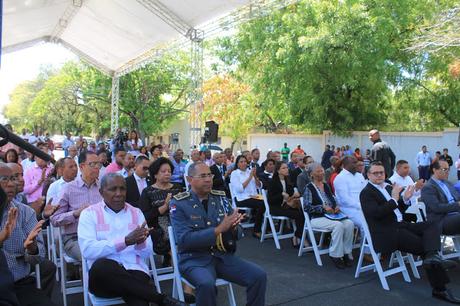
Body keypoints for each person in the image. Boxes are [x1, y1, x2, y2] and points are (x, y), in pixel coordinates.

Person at [78, 173, 184, 306]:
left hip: (135, 272)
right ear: (101, 192)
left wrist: (140, 244)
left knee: (139, 301)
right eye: (113, 189)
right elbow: (88, 251)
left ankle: (160, 299)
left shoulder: (136, 213)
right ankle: (160, 299)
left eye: (122, 189)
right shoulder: (89, 214)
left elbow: (147, 253)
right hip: (104, 280)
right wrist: (125, 241)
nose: (119, 193)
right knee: (103, 265)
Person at [361, 162, 460, 304]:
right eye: (375, 173)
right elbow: (377, 214)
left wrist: (405, 199)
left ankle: (433, 258)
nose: (379, 175)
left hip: (400, 225)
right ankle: (440, 288)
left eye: (381, 172)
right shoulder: (366, 193)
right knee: (425, 246)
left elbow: (397, 210)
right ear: (368, 175)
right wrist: (395, 199)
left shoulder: (388, 187)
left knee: (432, 225)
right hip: (387, 232)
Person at [170, 162, 267, 306]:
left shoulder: (220, 199)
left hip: (222, 257)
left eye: (210, 175)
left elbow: (238, 234)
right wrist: (218, 230)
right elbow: (184, 240)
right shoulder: (179, 204)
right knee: (206, 284)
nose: (208, 179)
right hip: (194, 260)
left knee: (258, 276)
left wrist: (234, 228)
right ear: (189, 179)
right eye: (203, 176)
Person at [0, 163, 57, 306]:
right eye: (4, 179)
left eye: (13, 178)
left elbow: (38, 258)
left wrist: (32, 249)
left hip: (18, 284)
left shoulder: (25, 212)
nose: (12, 183)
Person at [51, 151, 103, 260]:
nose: (97, 167)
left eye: (98, 164)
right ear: (82, 166)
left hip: (101, 235)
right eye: (92, 164)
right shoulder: (68, 188)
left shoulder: (102, 188)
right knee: (92, 255)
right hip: (75, 238)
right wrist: (75, 213)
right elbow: (55, 219)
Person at [304, 163, 354, 269]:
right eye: (318, 171)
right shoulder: (309, 188)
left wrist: (336, 206)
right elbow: (307, 207)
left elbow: (332, 199)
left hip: (332, 216)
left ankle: (346, 252)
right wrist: (322, 208)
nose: (321, 173)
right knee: (338, 226)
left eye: (322, 170)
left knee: (349, 224)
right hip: (317, 218)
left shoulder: (325, 185)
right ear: (312, 174)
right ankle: (336, 255)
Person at [138, 157, 183, 266]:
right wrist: (165, 206)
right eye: (163, 171)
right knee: (166, 236)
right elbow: (145, 216)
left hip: (177, 221)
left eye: (169, 171)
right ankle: (177, 267)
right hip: (157, 226)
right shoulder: (148, 192)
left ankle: (177, 264)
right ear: (155, 174)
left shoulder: (178, 188)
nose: (167, 174)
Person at [267, 161, 305, 246]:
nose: (287, 169)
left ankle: (298, 236)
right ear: (278, 171)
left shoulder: (288, 180)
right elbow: (270, 200)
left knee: (303, 212)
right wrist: (281, 195)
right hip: (276, 207)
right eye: (283, 168)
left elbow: (290, 195)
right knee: (299, 215)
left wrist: (294, 195)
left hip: (286, 205)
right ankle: (299, 237)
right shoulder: (273, 182)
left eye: (287, 167)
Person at [421, 160, 460, 237]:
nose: (447, 172)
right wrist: (457, 205)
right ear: (434, 170)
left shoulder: (448, 183)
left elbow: (458, 197)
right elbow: (437, 208)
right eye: (444, 169)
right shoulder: (428, 187)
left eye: (448, 169)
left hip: (455, 215)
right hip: (440, 221)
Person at [230, 155, 265, 238]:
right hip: (242, 198)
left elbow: (259, 186)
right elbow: (239, 189)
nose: (244, 163)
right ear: (237, 164)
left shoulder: (250, 171)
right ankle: (257, 230)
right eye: (241, 162)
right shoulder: (235, 173)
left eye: (245, 161)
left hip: (254, 197)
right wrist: (250, 177)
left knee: (268, 202)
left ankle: (265, 226)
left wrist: (255, 176)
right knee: (262, 204)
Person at [333, 156, 367, 231]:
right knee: (367, 223)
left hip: (363, 207)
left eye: (357, 162)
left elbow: (366, 192)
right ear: (346, 165)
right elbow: (345, 200)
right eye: (354, 163)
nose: (357, 164)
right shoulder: (340, 178)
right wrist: (361, 205)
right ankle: (367, 242)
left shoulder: (359, 176)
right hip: (348, 210)